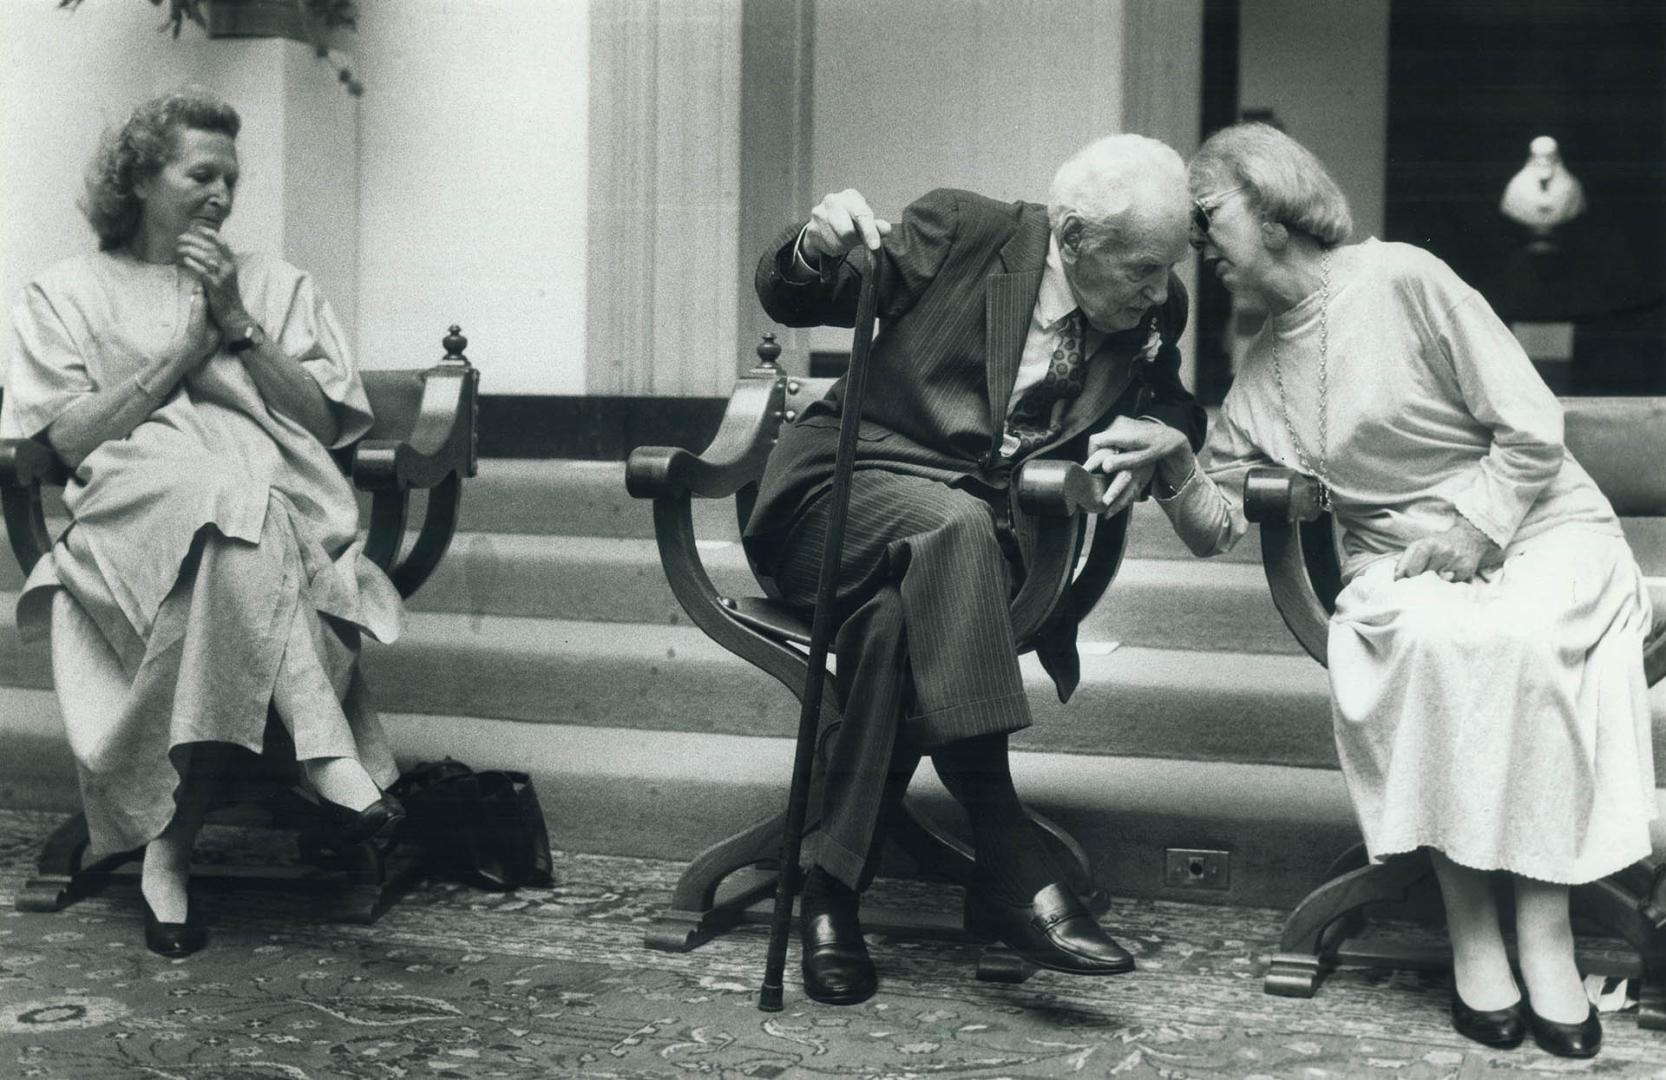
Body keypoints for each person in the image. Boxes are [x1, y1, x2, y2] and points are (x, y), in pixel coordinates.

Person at [1091, 122, 1654, 1059]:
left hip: (1538, 528)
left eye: (1209, 215)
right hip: (1403, 567)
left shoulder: (1403, 278)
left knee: (1515, 635)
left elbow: (1530, 422)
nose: (1198, 246)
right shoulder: (1259, 370)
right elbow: (1214, 527)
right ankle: (1473, 927)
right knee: (1427, 636)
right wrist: (1176, 457)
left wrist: (1475, 530)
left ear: (1272, 208)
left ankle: (1545, 931)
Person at [744, 134, 1205, 1004]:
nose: (1159, 292)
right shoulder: (960, 230)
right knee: (952, 523)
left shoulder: (1151, 308)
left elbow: (1174, 399)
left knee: (889, 626)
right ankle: (1007, 849)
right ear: (1072, 240)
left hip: (961, 559)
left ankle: (830, 891)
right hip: (834, 506)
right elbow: (804, 295)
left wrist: (1170, 434)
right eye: (1143, 269)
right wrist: (814, 245)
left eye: (1167, 270)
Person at [1, 88, 406, 957]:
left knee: (239, 517)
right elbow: (68, 437)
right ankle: (329, 755)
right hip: (133, 508)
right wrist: (183, 355)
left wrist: (240, 326)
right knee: (231, 503)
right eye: (202, 173)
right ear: (142, 177)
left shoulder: (275, 285)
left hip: (275, 501)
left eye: (233, 177)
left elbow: (332, 422)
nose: (223, 194)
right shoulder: (65, 290)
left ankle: (167, 856)